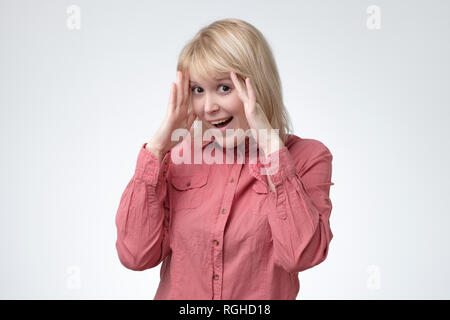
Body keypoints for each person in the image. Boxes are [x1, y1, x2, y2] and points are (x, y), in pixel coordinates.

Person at [115, 18, 334, 300]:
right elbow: (135, 255)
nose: (209, 107)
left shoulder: (307, 158)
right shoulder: (177, 158)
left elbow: (300, 255)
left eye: (223, 88)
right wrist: (157, 149)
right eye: (197, 90)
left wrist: (270, 146)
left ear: (257, 85)